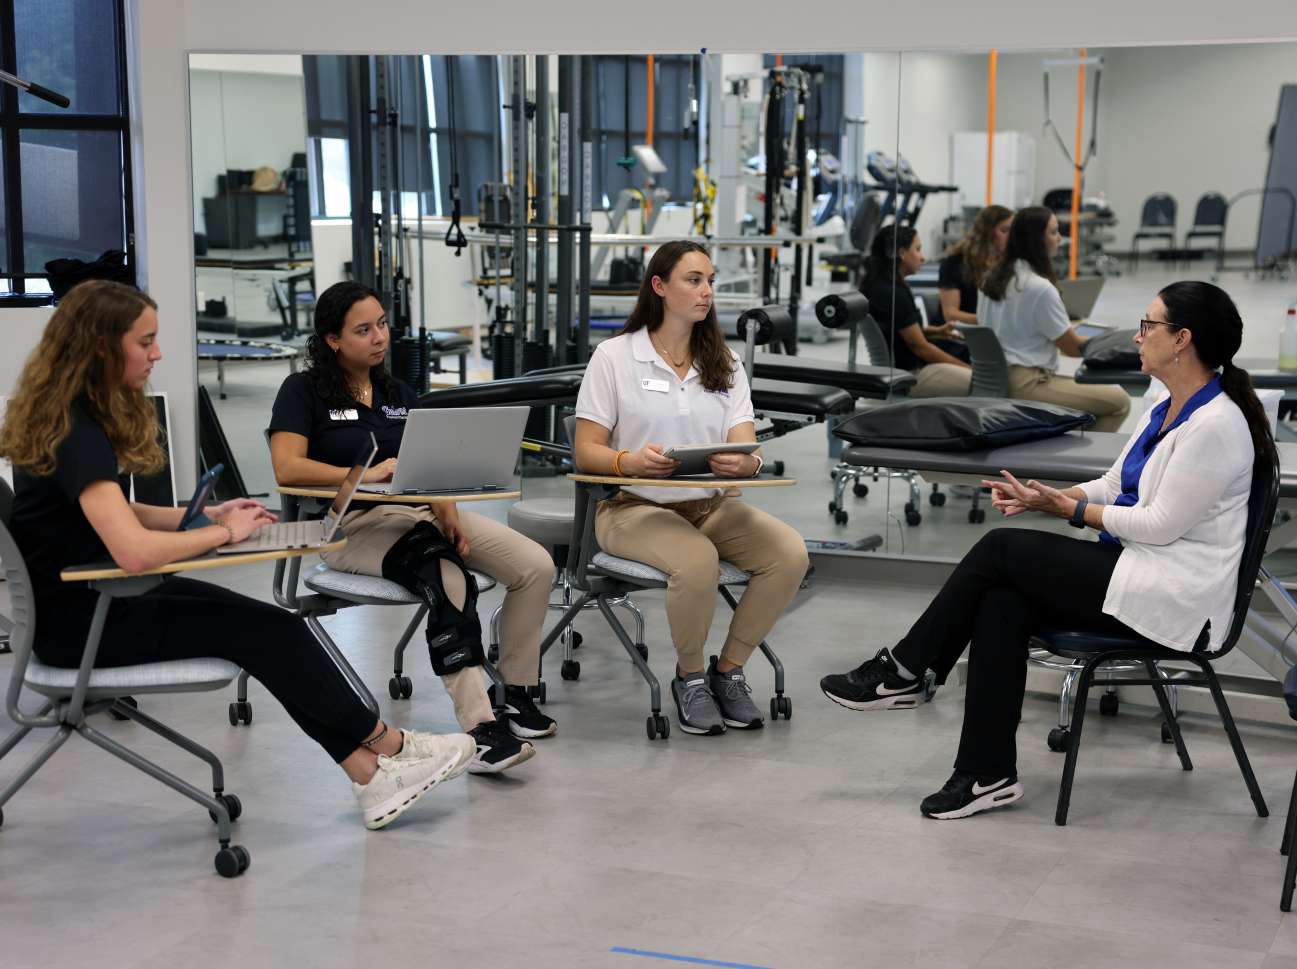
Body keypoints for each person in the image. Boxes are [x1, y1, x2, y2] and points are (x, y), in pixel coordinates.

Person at [0, 280, 475, 830]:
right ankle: (388, 746)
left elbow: (117, 513)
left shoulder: (65, 415)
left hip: (89, 604)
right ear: (102, 346)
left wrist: (206, 514)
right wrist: (223, 534)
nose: (158, 354)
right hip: (85, 623)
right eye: (146, 342)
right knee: (271, 634)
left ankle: (371, 775)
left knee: (273, 627)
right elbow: (134, 551)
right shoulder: (79, 431)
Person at [819, 281, 1275, 819]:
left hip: (1176, 599)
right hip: (1138, 569)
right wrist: (1050, 498)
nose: (1137, 336)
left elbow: (1158, 525)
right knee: (1001, 604)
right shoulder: (1165, 404)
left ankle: (904, 670)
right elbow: (1114, 484)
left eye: (1148, 325)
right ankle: (986, 775)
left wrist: (1068, 511)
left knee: (999, 549)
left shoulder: (1216, 425)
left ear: (1182, 339)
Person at [269, 281, 552, 774]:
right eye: (363, 330)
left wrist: (449, 516)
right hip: (351, 524)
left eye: (381, 324)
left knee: (536, 566)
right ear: (332, 339)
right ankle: (481, 732)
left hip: (421, 513)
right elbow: (286, 467)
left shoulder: (398, 393)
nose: (379, 337)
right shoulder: (303, 390)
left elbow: (431, 466)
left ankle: (514, 693)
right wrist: (363, 474)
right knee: (448, 578)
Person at [573, 240, 808, 735]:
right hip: (632, 507)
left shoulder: (724, 361)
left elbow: (747, 446)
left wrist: (745, 465)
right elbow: (586, 451)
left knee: (789, 553)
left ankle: (729, 671)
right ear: (659, 286)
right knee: (697, 561)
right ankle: (691, 678)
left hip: (711, 505)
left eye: (710, 281)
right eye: (694, 280)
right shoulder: (615, 356)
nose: (707, 292)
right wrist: (627, 461)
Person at [977, 206, 1130, 431]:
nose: (1060, 238)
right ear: (1035, 240)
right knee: (1119, 402)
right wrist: (1109, 342)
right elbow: (1072, 348)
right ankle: (1081, 453)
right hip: (1028, 383)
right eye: (1053, 232)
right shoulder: (1039, 288)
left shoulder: (990, 279)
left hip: (993, 378)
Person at [861, 224, 972, 397]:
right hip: (911, 375)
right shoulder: (894, 295)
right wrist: (968, 368)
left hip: (903, 369)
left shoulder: (879, 287)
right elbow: (922, 348)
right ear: (902, 252)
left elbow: (901, 333)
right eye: (918, 249)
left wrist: (937, 332)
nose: (922, 257)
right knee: (986, 383)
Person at [938, 204, 1014, 326]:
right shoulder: (954, 263)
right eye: (1004, 231)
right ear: (987, 232)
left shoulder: (1008, 263)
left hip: (993, 330)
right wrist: (996, 321)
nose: (1010, 237)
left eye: (1013, 231)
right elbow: (950, 315)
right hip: (963, 333)